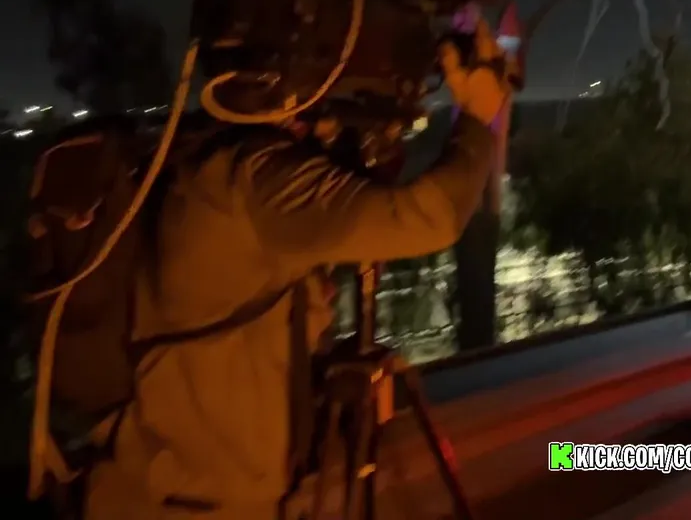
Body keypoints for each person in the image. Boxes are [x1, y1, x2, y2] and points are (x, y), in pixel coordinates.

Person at [80, 36, 509, 520]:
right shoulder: (256, 178)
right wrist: (478, 119)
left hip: (170, 485)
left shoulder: (205, 163)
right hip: (196, 505)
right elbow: (429, 218)